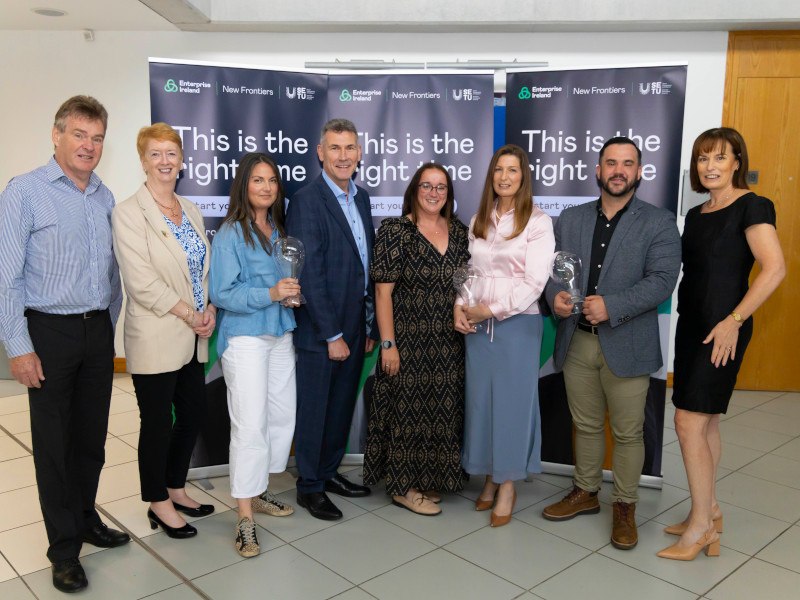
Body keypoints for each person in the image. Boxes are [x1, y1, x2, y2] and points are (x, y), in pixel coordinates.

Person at [0, 95, 130, 593]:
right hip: (47, 333)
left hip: (96, 331)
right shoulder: (25, 192)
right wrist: (18, 345)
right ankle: (63, 551)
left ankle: (86, 520)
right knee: (54, 447)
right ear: (56, 136)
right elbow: (7, 276)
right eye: (79, 135)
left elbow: (112, 273)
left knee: (92, 440)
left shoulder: (104, 197)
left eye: (97, 138)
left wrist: (107, 324)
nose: (88, 146)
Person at [541, 137, 681, 550]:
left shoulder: (659, 222)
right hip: (577, 341)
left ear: (639, 172)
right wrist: (556, 299)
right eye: (610, 163)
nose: (618, 170)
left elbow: (661, 281)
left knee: (627, 432)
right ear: (598, 171)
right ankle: (585, 492)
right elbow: (553, 273)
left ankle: (624, 504)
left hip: (628, 343)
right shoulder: (571, 218)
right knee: (584, 424)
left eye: (627, 163)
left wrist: (613, 306)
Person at [657, 128, 785, 561]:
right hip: (693, 326)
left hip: (724, 329)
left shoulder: (753, 206)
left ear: (736, 162)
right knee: (705, 421)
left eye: (719, 158)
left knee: (688, 423)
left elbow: (774, 269)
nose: (709, 166)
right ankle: (709, 510)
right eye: (702, 159)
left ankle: (699, 529)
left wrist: (734, 320)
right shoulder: (696, 214)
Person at [112, 123, 216, 542]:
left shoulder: (189, 209)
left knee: (192, 414)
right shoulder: (127, 212)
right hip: (156, 334)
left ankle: (176, 487)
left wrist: (207, 307)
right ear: (143, 161)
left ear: (182, 160)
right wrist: (191, 314)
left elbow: (200, 271)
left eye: (172, 152)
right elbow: (140, 281)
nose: (165, 161)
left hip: (193, 336)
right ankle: (157, 501)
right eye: (156, 153)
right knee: (156, 422)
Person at [454, 144, 554, 527]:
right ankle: (490, 478)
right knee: (483, 404)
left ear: (523, 176)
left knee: (513, 406)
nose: (505, 177)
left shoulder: (538, 222)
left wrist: (490, 310)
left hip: (517, 325)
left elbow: (535, 282)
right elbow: (470, 271)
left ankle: (508, 483)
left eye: (513, 170)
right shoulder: (481, 218)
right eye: (499, 170)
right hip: (478, 328)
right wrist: (461, 306)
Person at [363, 164, 470, 516]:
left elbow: (467, 284)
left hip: (448, 342)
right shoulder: (397, 231)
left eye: (441, 187)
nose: (434, 193)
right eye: (427, 186)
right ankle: (402, 487)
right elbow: (382, 294)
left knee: (440, 410)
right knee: (406, 412)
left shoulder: (459, 232)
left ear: (449, 193)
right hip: (407, 338)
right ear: (415, 189)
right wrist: (388, 344)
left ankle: (426, 479)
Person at [286, 118, 378, 520]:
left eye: (350, 148)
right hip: (323, 330)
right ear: (320, 153)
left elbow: (366, 267)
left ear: (359, 154)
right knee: (316, 408)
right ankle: (309, 485)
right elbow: (309, 273)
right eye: (335, 148)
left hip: (357, 324)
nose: (343, 156)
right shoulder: (307, 200)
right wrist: (332, 334)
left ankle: (328, 472)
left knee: (341, 405)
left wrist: (368, 326)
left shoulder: (362, 199)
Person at [210, 153, 300, 557]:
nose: (266, 187)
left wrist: (291, 296)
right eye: (257, 180)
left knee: (281, 416)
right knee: (249, 424)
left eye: (272, 181)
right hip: (244, 337)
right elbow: (222, 293)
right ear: (244, 185)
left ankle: (259, 489)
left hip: (280, 332)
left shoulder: (278, 228)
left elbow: (283, 283)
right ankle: (244, 517)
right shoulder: (232, 232)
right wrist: (270, 294)